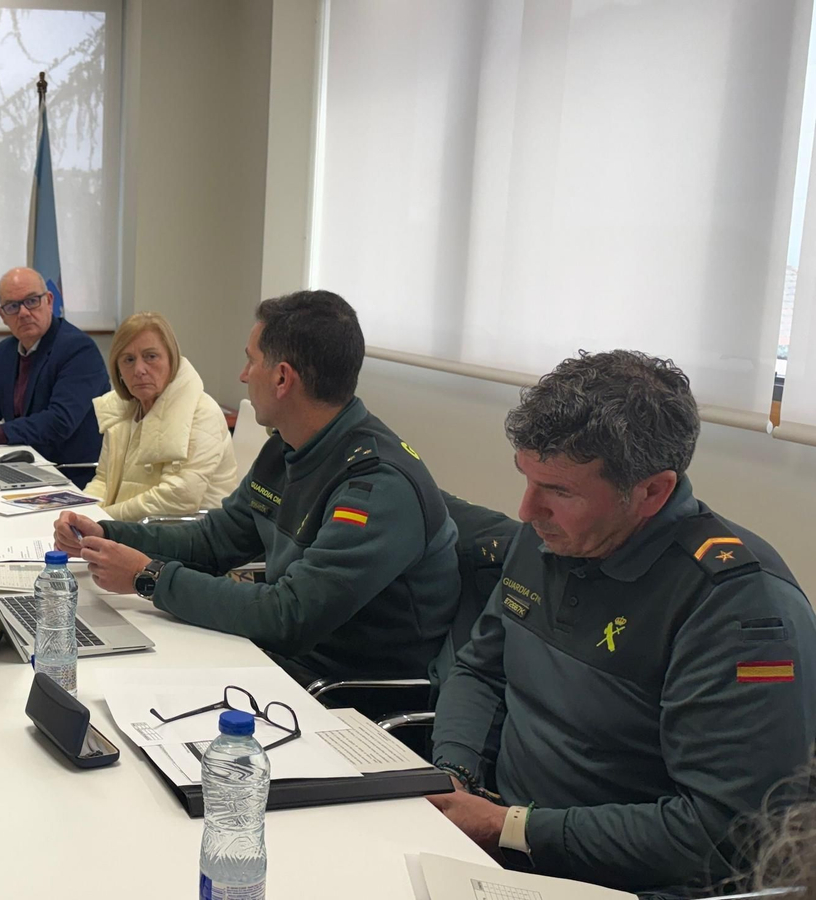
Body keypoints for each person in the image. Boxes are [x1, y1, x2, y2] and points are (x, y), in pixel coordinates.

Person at [428, 350, 816, 895]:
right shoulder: (552, 533)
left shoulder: (741, 610)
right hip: (502, 850)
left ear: (652, 491)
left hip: (621, 883)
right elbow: (480, 670)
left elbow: (724, 835)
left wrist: (509, 827)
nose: (525, 509)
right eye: (527, 478)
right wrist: (454, 773)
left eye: (560, 491)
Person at [54, 291, 459, 685]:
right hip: (276, 664)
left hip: (342, 696)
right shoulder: (286, 448)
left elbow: (290, 616)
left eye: (251, 362)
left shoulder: (377, 486)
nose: (243, 376)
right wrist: (108, 534)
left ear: (282, 378)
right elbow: (214, 541)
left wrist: (150, 578)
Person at [0, 267, 109, 487]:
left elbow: (60, 421)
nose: (23, 313)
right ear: (2, 315)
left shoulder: (78, 350)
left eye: (32, 301)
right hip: (21, 466)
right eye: (12, 306)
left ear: (49, 301)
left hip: (67, 474)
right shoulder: (5, 351)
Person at [82, 312, 238, 519]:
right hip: (128, 529)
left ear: (172, 360)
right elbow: (103, 480)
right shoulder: (122, 410)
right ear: (117, 369)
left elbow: (177, 497)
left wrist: (102, 519)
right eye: (128, 359)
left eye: (151, 356)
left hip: (186, 537)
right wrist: (80, 515)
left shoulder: (202, 413)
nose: (139, 369)